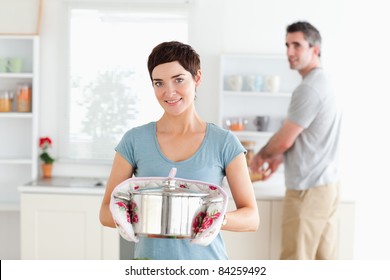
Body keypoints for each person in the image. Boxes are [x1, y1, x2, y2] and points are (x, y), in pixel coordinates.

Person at [100, 41, 259, 260]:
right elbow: (106, 213)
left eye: (178, 80)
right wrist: (145, 214)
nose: (169, 92)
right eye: (159, 83)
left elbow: (251, 218)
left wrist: (214, 219)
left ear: (198, 78)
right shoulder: (134, 140)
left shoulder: (224, 142)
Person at [250, 21, 342, 260]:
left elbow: (284, 140)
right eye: (287, 45)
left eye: (297, 45)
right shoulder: (323, 83)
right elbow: (307, 137)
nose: (289, 52)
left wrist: (261, 156)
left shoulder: (309, 89)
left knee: (294, 263)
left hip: (307, 190)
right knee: (324, 262)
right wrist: (280, 157)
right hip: (326, 186)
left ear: (315, 49)